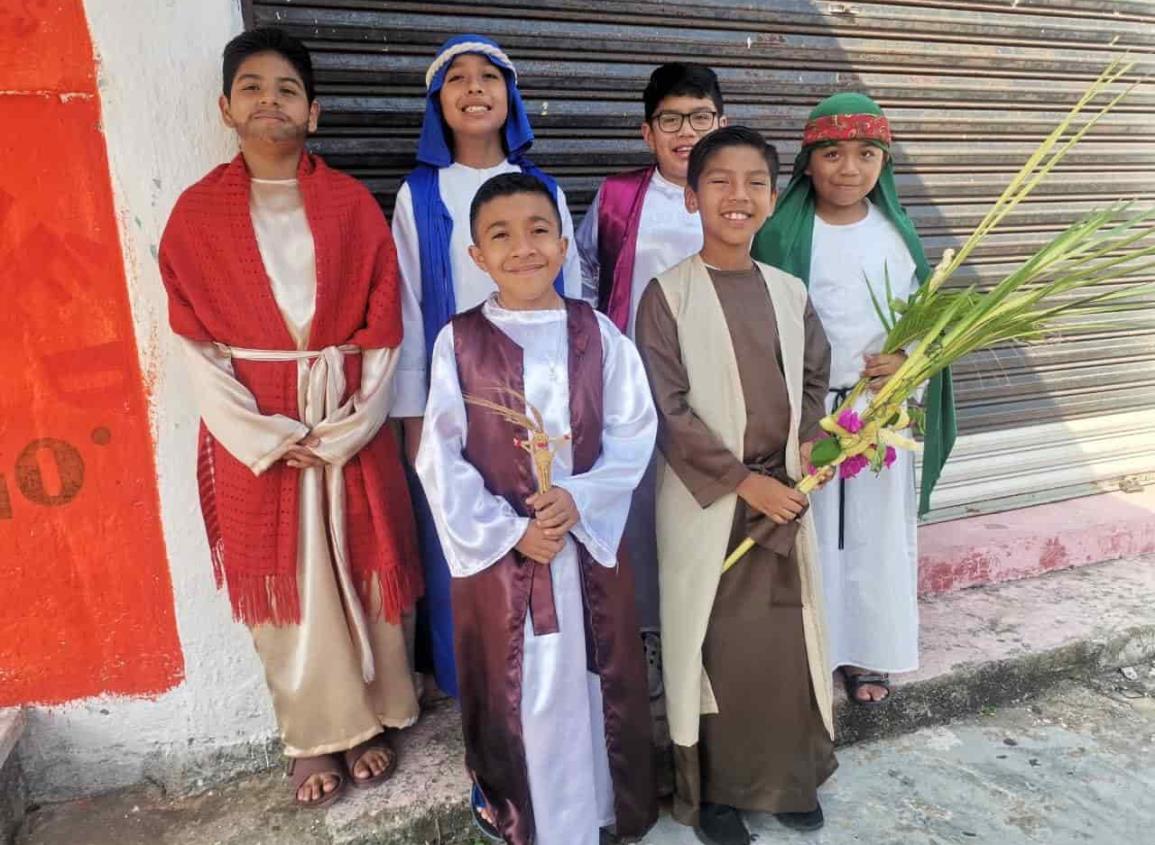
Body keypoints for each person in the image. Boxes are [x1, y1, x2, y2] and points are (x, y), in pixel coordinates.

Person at [157, 27, 423, 808]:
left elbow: (387, 320)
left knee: (362, 565)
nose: (269, 100)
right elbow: (195, 343)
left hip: (346, 411)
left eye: (286, 90)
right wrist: (264, 436)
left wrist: (351, 424)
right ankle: (313, 735)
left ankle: (375, 715)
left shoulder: (349, 203)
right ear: (225, 107)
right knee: (290, 586)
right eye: (252, 88)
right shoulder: (196, 215)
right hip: (258, 423)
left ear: (314, 112)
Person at [415, 172, 658, 845]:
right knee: (524, 685)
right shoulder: (458, 343)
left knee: (590, 679)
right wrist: (513, 530)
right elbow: (440, 455)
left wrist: (577, 498)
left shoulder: (598, 334)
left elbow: (633, 428)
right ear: (476, 257)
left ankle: (598, 810)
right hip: (506, 559)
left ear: (561, 244)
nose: (522, 247)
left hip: (585, 547)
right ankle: (524, 813)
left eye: (538, 230)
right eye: (501, 235)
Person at [635, 126, 836, 845]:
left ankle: (785, 778)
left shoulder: (789, 293)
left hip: (782, 494)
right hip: (708, 501)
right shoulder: (667, 295)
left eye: (754, 181)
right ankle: (713, 792)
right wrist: (741, 482)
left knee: (781, 641)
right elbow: (666, 405)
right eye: (718, 180)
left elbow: (813, 379)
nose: (737, 196)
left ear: (773, 198)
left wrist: (809, 445)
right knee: (710, 644)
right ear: (691, 197)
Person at [391, 34, 584, 699]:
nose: (473, 89)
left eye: (488, 77)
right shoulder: (419, 195)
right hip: (459, 398)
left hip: (545, 400)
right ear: (436, 104)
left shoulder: (543, 188)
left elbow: (575, 294)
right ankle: (480, 684)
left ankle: (556, 681)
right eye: (455, 79)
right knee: (467, 538)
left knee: (548, 526)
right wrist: (412, 419)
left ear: (511, 97)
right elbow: (409, 312)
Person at [752, 92, 957, 706]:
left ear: (884, 162)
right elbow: (758, 322)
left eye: (867, 154)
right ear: (808, 161)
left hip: (879, 411)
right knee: (808, 537)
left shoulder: (897, 235)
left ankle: (870, 652)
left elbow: (928, 321)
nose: (849, 168)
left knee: (872, 537)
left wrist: (908, 364)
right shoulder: (780, 232)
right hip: (805, 414)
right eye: (833, 153)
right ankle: (813, 648)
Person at [573, 65, 726, 777]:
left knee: (704, 509)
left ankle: (706, 637)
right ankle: (647, 638)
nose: (685, 132)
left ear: (720, 125)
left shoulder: (734, 193)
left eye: (699, 118)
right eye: (671, 119)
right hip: (630, 389)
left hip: (714, 389)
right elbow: (578, 276)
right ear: (647, 131)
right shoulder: (617, 197)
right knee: (635, 518)